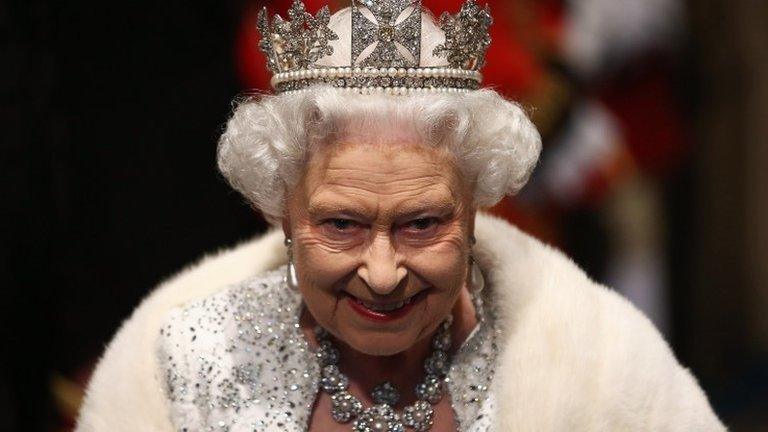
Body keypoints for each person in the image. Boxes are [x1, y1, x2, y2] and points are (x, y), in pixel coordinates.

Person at [75, 1, 725, 431]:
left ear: (474, 211)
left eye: (421, 224)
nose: (383, 276)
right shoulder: (174, 363)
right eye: (340, 225)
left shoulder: (598, 352)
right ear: (279, 210)